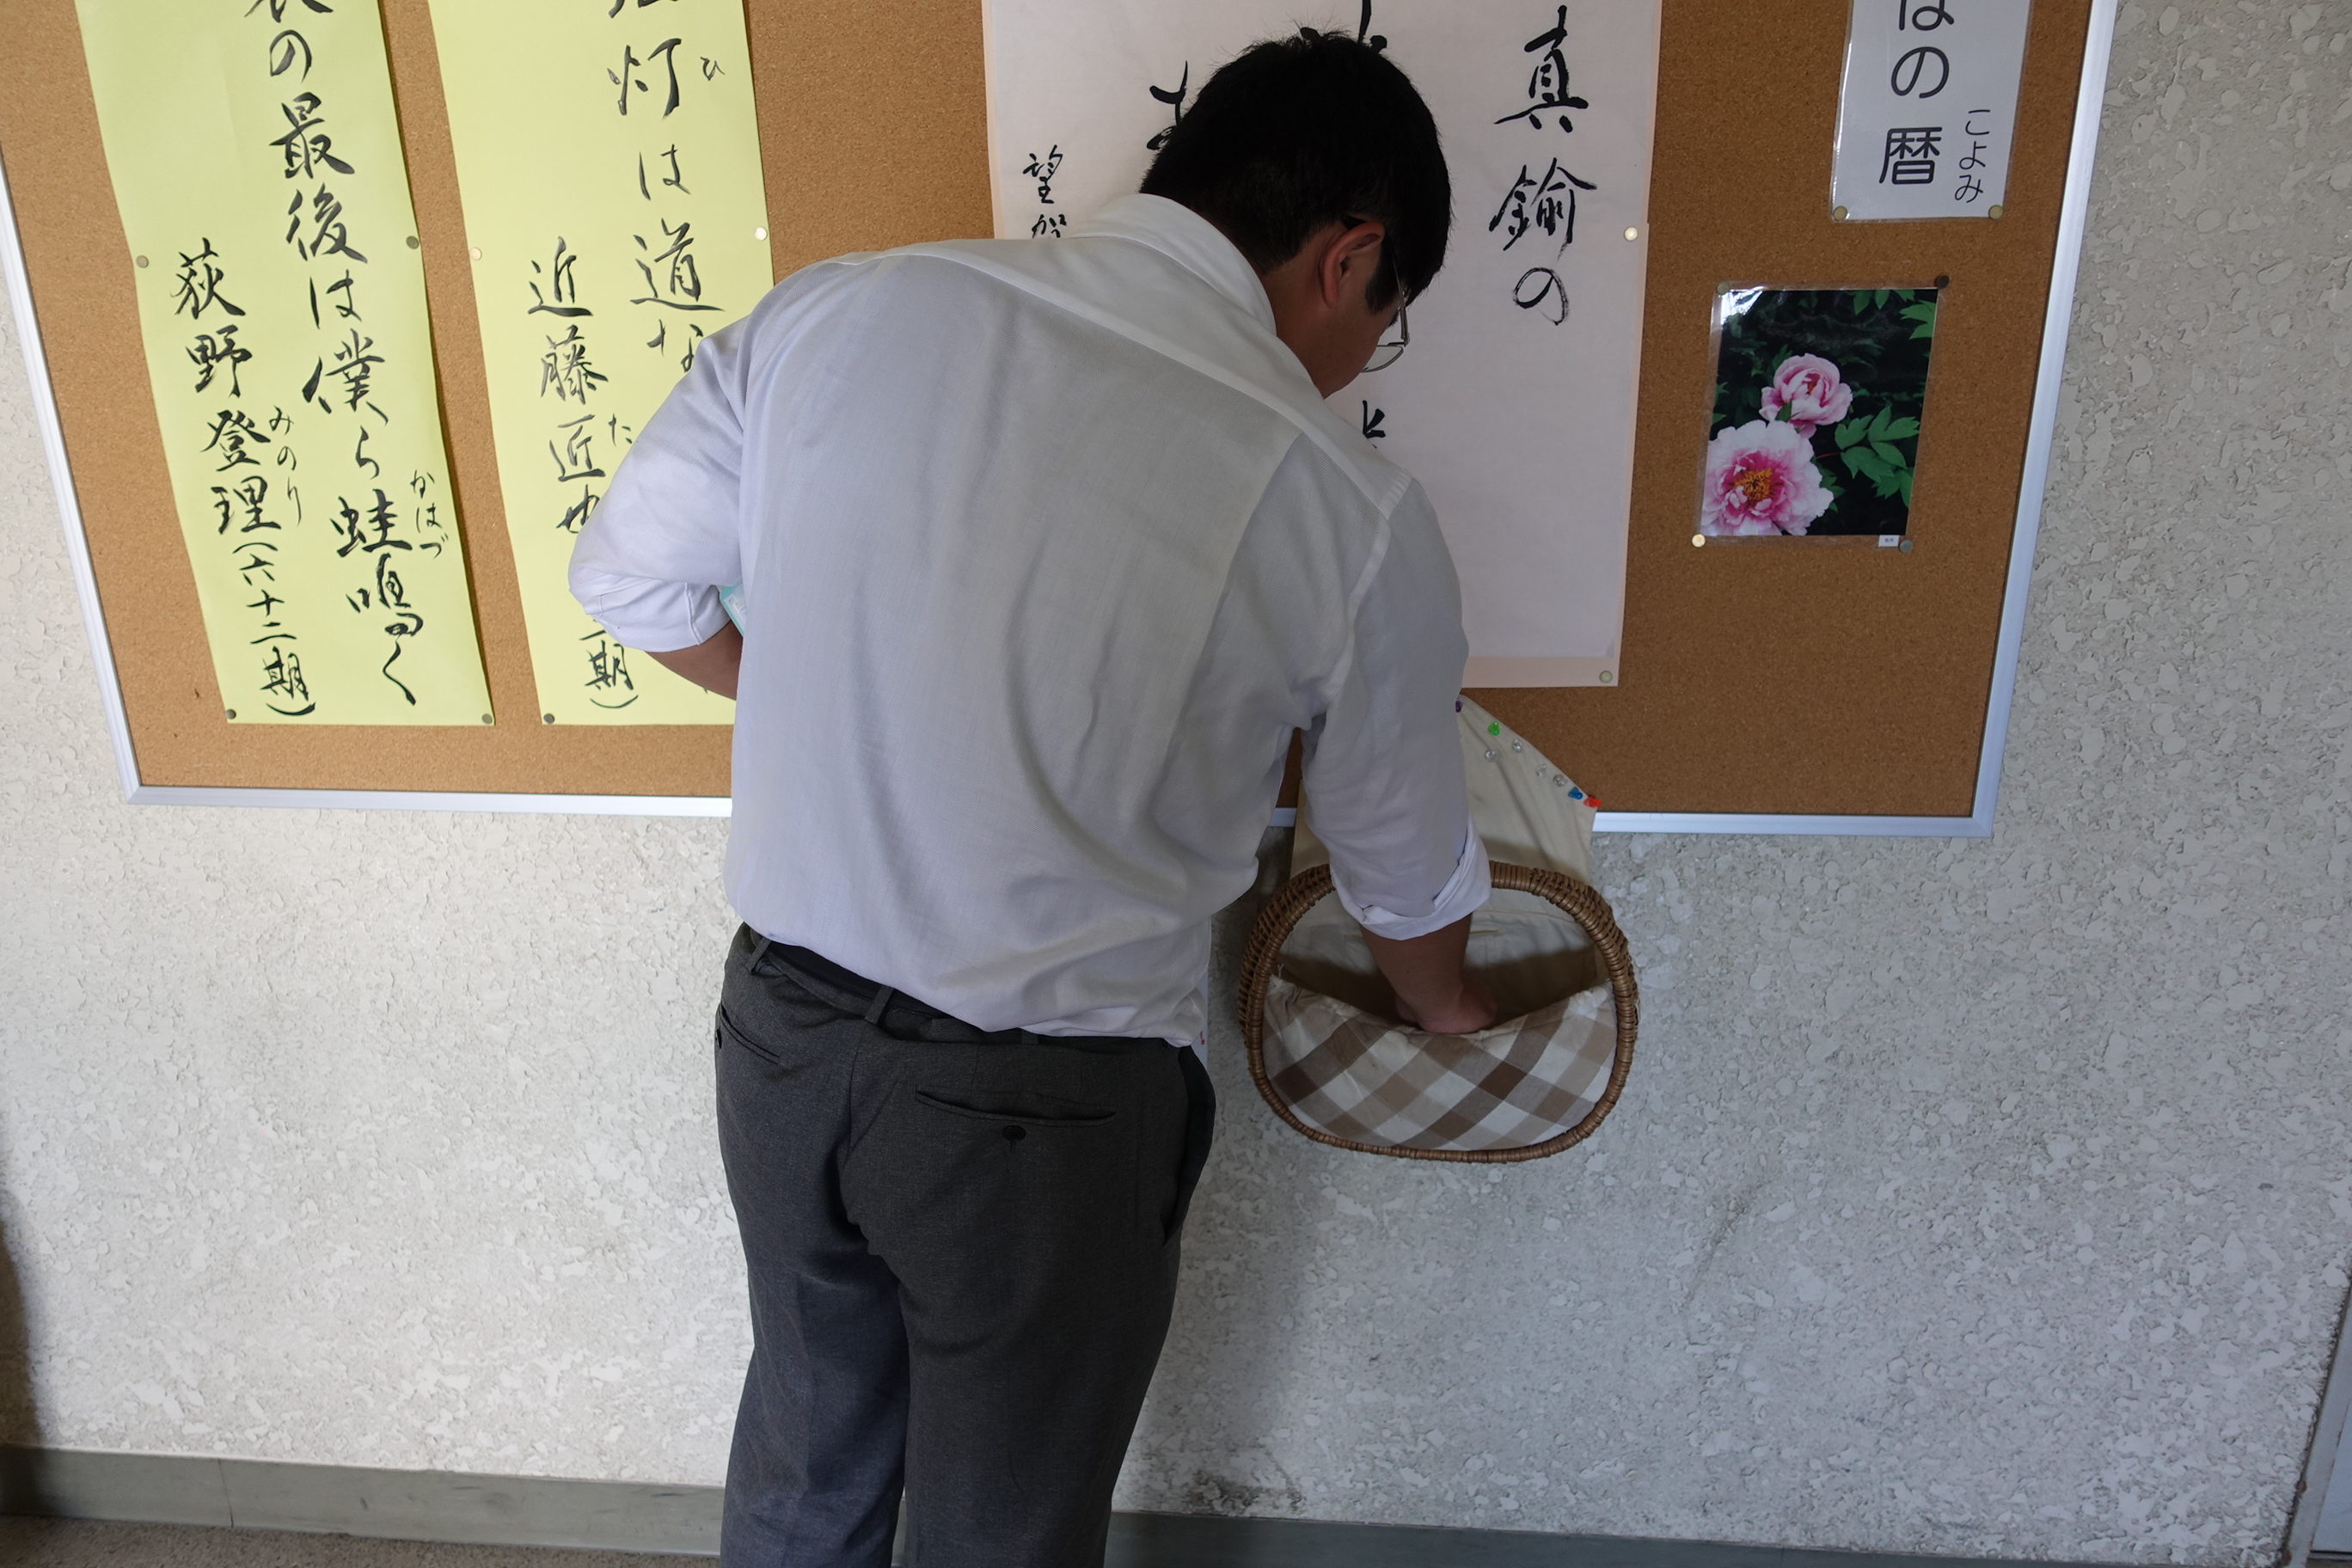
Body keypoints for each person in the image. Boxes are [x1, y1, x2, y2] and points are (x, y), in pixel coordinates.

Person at [569, 27, 1494, 1568]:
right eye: (1382, 322)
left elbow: (630, 580)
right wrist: (1451, 1008)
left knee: (805, 1466)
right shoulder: (1349, 511)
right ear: (1350, 258)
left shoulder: (844, 309)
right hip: (1037, 1112)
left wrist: (817, 698)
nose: (1356, 365)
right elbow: (1397, 870)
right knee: (1000, 1532)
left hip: (781, 1036)